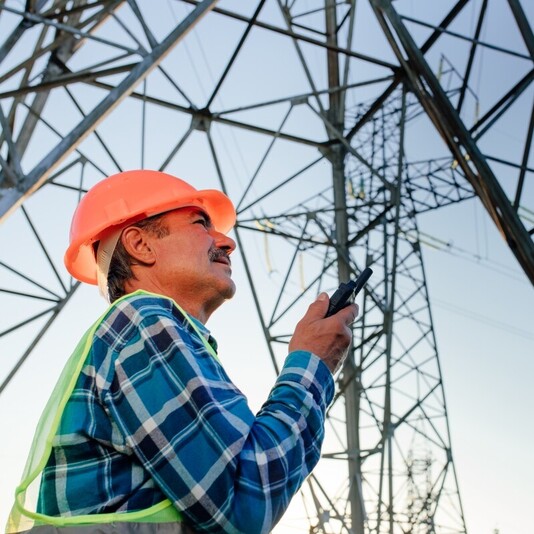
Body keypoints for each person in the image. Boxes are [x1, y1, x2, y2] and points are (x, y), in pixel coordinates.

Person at [7, 170, 358, 534]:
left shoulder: (149, 333)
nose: (226, 242)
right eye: (201, 223)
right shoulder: (143, 324)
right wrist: (312, 363)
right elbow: (243, 507)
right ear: (140, 245)